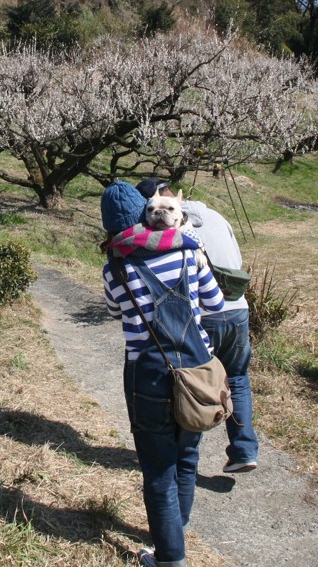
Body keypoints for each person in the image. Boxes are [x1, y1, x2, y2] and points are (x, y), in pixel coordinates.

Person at [101, 181, 225, 567]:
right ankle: (178, 524)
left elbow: (114, 313)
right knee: (187, 453)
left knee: (158, 468)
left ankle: (170, 555)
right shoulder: (190, 253)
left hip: (148, 373)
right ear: (143, 212)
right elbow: (216, 303)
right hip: (196, 365)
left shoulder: (114, 266)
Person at [138, 178, 259, 474]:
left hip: (205, 313)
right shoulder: (216, 215)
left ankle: (187, 451)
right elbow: (237, 257)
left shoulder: (169, 232)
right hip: (239, 310)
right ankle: (244, 450)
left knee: (196, 381)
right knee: (238, 377)